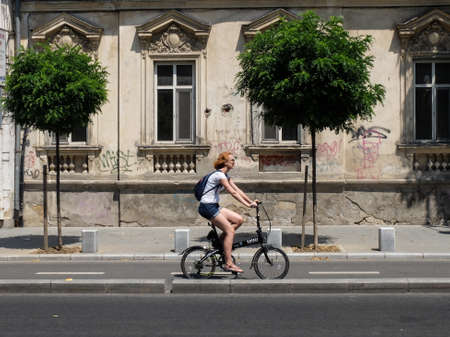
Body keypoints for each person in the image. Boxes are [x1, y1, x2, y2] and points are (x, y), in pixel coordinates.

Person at [198, 151, 258, 273]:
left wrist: (251, 201)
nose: (234, 162)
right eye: (232, 160)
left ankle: (220, 242)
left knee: (239, 220)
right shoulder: (219, 176)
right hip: (207, 207)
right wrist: (247, 205)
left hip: (213, 206)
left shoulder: (225, 176)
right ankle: (228, 263)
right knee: (230, 230)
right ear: (225, 163)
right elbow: (232, 192)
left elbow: (238, 190)